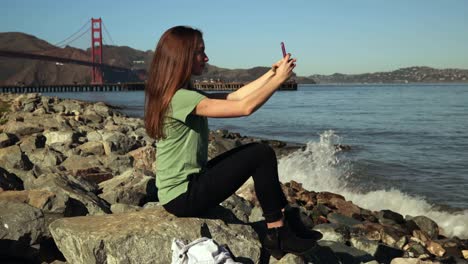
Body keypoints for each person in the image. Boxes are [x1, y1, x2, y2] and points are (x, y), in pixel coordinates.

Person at [145, 26, 320, 259]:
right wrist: (279, 80)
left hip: (185, 186)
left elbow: (235, 96)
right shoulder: (181, 98)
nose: (206, 58)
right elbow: (244, 107)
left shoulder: (179, 93)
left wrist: (271, 73)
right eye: (200, 52)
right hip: (183, 197)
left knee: (260, 152)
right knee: (261, 154)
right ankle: (277, 233)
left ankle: (287, 219)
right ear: (182, 57)